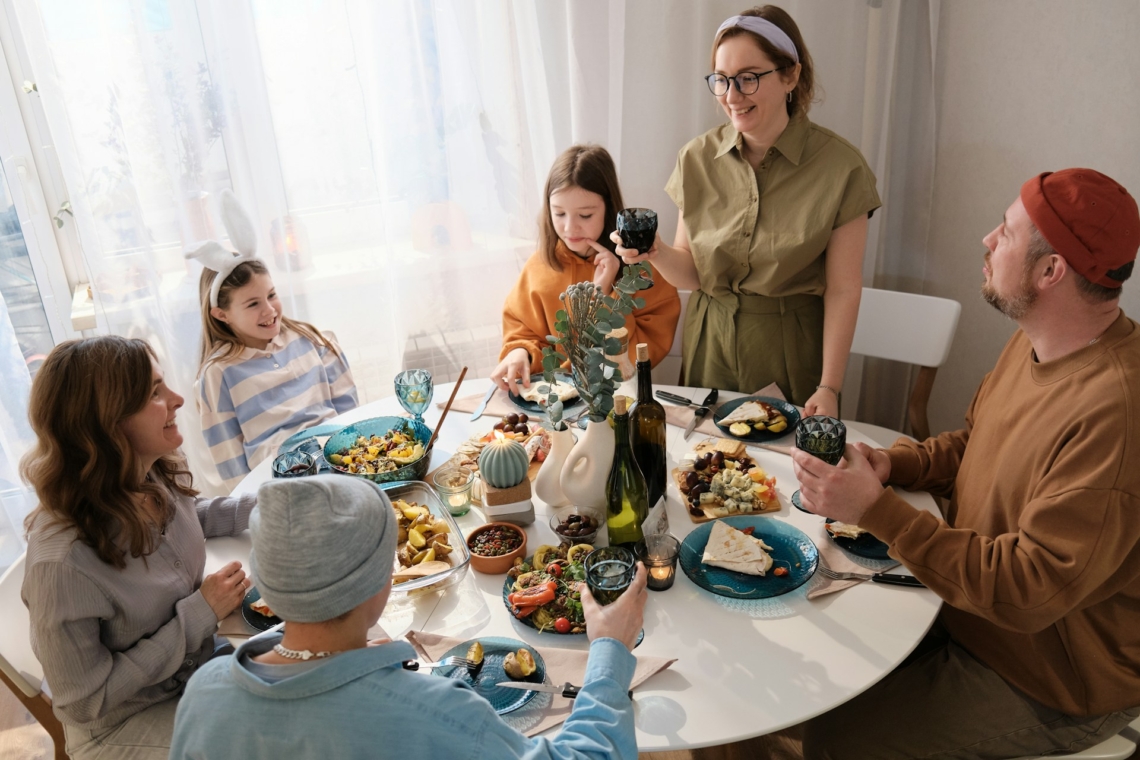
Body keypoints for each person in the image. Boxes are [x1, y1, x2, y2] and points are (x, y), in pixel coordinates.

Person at [791, 168, 1140, 758]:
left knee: (837, 742)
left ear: (1051, 272)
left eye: (1005, 232)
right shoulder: (1037, 340)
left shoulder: (1117, 415)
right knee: (815, 669)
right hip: (965, 607)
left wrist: (878, 512)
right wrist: (895, 467)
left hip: (1048, 676)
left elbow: (1029, 590)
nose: (987, 240)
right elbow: (975, 443)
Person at [169, 475, 649, 759]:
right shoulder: (437, 712)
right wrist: (610, 650)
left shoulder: (204, 693)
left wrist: (345, 657)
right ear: (382, 581)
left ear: (269, 588)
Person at [616, 6, 879, 417]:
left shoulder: (841, 168)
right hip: (710, 344)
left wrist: (829, 386)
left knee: (782, 456)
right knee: (701, 456)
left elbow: (843, 288)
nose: (731, 96)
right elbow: (692, 274)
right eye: (721, 79)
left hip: (791, 349)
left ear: (790, 75)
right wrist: (656, 252)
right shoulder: (696, 158)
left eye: (749, 78)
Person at [20, 336, 256, 760]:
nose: (177, 399)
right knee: (270, 741)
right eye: (154, 394)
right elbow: (83, 702)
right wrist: (199, 613)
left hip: (197, 668)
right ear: (105, 424)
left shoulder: (149, 474)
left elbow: (191, 517)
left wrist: (265, 506)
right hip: (125, 722)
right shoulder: (62, 564)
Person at [189, 190, 358, 490]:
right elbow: (229, 463)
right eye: (253, 304)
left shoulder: (312, 340)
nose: (269, 310)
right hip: (281, 485)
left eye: (271, 295)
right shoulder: (219, 374)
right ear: (221, 314)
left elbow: (350, 412)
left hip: (341, 463)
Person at [492, 144, 680, 394]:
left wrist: (605, 296)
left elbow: (637, 358)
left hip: (617, 398)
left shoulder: (642, 269)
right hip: (552, 400)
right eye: (559, 213)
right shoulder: (540, 265)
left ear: (609, 209)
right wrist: (520, 351)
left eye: (585, 215)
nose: (570, 228)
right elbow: (523, 329)